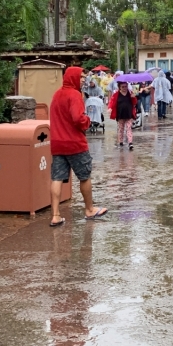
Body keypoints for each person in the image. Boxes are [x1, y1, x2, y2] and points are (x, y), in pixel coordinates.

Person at [49, 66, 107, 226]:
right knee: (84, 176)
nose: (83, 80)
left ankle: (55, 215)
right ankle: (89, 209)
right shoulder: (74, 95)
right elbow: (77, 118)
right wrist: (87, 121)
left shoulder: (56, 95)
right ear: (72, 77)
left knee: (57, 178)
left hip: (57, 143)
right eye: (80, 77)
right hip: (75, 143)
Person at [109, 81, 137, 150]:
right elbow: (112, 102)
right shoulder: (116, 94)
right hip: (120, 114)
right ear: (119, 87)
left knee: (129, 128)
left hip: (129, 114)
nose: (125, 88)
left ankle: (130, 143)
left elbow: (135, 103)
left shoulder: (130, 93)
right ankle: (121, 142)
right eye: (123, 87)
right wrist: (110, 108)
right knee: (121, 129)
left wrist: (133, 97)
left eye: (126, 86)